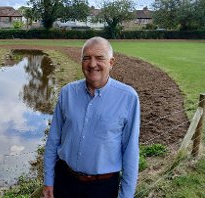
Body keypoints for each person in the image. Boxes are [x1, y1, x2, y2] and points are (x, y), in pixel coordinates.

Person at [43, 36, 140, 198]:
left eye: (99, 58)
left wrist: (126, 195)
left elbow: (130, 151)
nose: (92, 64)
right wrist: (49, 180)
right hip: (64, 181)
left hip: (102, 188)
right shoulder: (67, 93)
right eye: (86, 58)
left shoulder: (128, 98)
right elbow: (53, 140)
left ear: (111, 62)